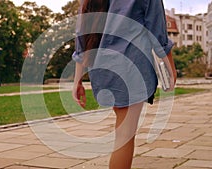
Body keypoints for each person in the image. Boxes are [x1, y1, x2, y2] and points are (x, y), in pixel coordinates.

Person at [72, 0, 177, 168]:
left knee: (122, 129)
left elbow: (82, 33)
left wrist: (77, 80)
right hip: (132, 66)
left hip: (102, 68)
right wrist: (170, 68)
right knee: (125, 136)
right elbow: (157, 30)